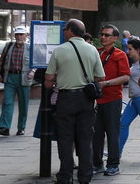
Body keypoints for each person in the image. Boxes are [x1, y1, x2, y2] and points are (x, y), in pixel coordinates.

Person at [44, 19, 106, 184]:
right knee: (85, 139)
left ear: (71, 31)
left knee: (65, 139)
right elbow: (100, 77)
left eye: (65, 29)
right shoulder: (92, 50)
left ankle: (65, 176)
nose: (64, 32)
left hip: (65, 99)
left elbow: (48, 81)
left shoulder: (59, 51)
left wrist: (61, 77)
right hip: (86, 99)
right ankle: (85, 177)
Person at [92, 24, 131, 176]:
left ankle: (113, 164)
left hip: (112, 99)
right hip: (96, 99)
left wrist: (106, 83)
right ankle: (97, 163)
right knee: (96, 134)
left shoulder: (120, 55)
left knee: (112, 133)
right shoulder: (97, 52)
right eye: (101, 34)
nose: (103, 37)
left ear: (115, 38)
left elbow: (126, 77)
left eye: (107, 35)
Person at [0, 26, 32, 137]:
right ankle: (4, 128)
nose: (19, 37)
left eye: (21, 34)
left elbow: (36, 62)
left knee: (23, 104)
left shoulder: (30, 48)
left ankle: (21, 128)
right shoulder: (9, 46)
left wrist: (33, 72)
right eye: (17, 34)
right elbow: (0, 61)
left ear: (26, 36)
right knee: (7, 102)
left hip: (24, 78)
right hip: (10, 77)